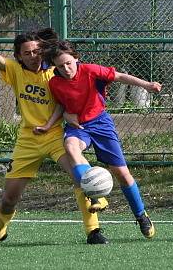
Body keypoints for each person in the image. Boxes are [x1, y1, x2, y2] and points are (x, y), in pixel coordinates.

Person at [0, 14, 109, 245]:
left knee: (81, 176)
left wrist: (71, 114)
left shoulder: (56, 71)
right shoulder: (14, 70)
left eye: (36, 51)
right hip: (28, 140)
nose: (33, 56)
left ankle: (93, 231)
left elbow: (77, 90)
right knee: (9, 198)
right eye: (27, 52)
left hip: (54, 136)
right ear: (18, 56)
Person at [41, 40, 162, 239]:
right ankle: (97, 195)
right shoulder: (55, 82)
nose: (66, 69)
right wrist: (55, 121)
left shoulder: (90, 70)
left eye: (69, 63)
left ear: (76, 59)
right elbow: (61, 105)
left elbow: (120, 76)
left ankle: (141, 215)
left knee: (122, 174)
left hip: (101, 124)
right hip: (78, 127)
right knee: (70, 147)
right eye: (60, 66)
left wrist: (147, 85)